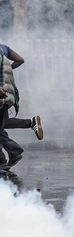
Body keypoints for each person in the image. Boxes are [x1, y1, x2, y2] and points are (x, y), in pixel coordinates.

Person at [0, 43, 43, 171]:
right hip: (8, 92)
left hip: (1, 92)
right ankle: (13, 153)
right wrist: (8, 71)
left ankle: (3, 161)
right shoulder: (4, 48)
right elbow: (20, 60)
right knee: (3, 124)